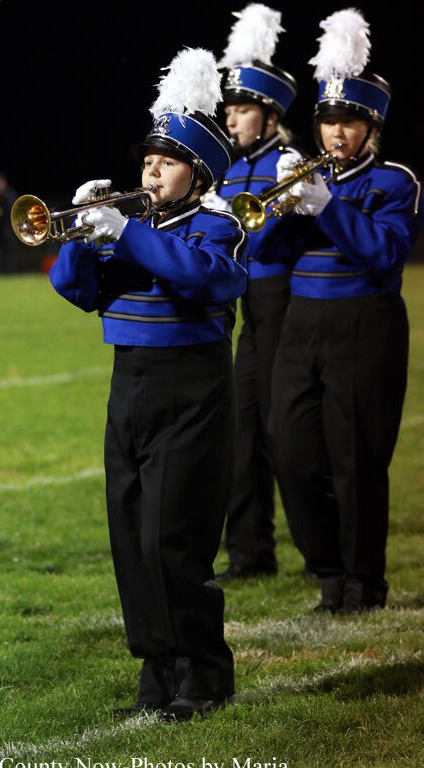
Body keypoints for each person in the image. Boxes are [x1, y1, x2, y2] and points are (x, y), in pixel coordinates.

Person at [50, 49, 248, 720]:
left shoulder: (218, 224)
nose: (151, 172)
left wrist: (127, 234)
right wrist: (80, 235)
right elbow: (75, 290)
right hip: (128, 382)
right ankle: (156, 672)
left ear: (199, 172)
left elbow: (207, 279)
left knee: (174, 536)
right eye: (147, 162)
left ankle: (204, 673)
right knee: (132, 535)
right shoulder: (132, 228)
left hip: (192, 388)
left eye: (166, 162)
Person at [269, 9, 423, 613]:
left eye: (349, 122)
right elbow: (263, 252)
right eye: (329, 121)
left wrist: (327, 205)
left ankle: (361, 583)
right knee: (290, 452)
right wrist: (282, 206)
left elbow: (383, 255)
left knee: (355, 457)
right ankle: (327, 569)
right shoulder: (303, 180)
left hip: (365, 325)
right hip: (300, 324)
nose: (336, 132)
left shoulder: (395, 182)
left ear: (370, 127)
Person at [203, 4, 301, 581]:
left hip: (284, 301)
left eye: (242, 109)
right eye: (230, 108)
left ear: (269, 115)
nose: (232, 118)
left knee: (287, 433)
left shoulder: (287, 164)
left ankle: (322, 549)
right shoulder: (229, 169)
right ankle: (249, 552)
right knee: (242, 431)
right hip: (247, 310)